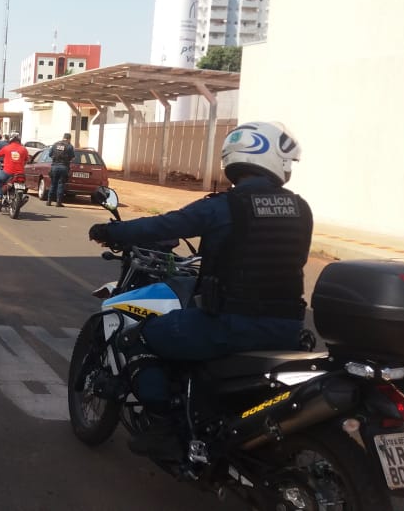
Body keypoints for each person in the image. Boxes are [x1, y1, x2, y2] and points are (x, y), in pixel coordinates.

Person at [87, 121, 312, 459]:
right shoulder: (301, 209)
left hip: (229, 325)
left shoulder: (224, 206)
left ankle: (162, 426)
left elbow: (164, 225)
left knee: (136, 338)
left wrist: (111, 231)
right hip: (287, 328)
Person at [0, 132, 29, 208]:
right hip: (20, 174)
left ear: (10, 139)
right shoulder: (24, 149)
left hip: (8, 173)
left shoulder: (7, 148)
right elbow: (26, 160)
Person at [47, 132, 75, 207]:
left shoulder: (55, 144)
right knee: (61, 184)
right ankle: (58, 202)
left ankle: (49, 201)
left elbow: (50, 154)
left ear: (63, 137)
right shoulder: (69, 146)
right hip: (64, 167)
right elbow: (72, 157)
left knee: (53, 184)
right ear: (69, 139)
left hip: (54, 166)